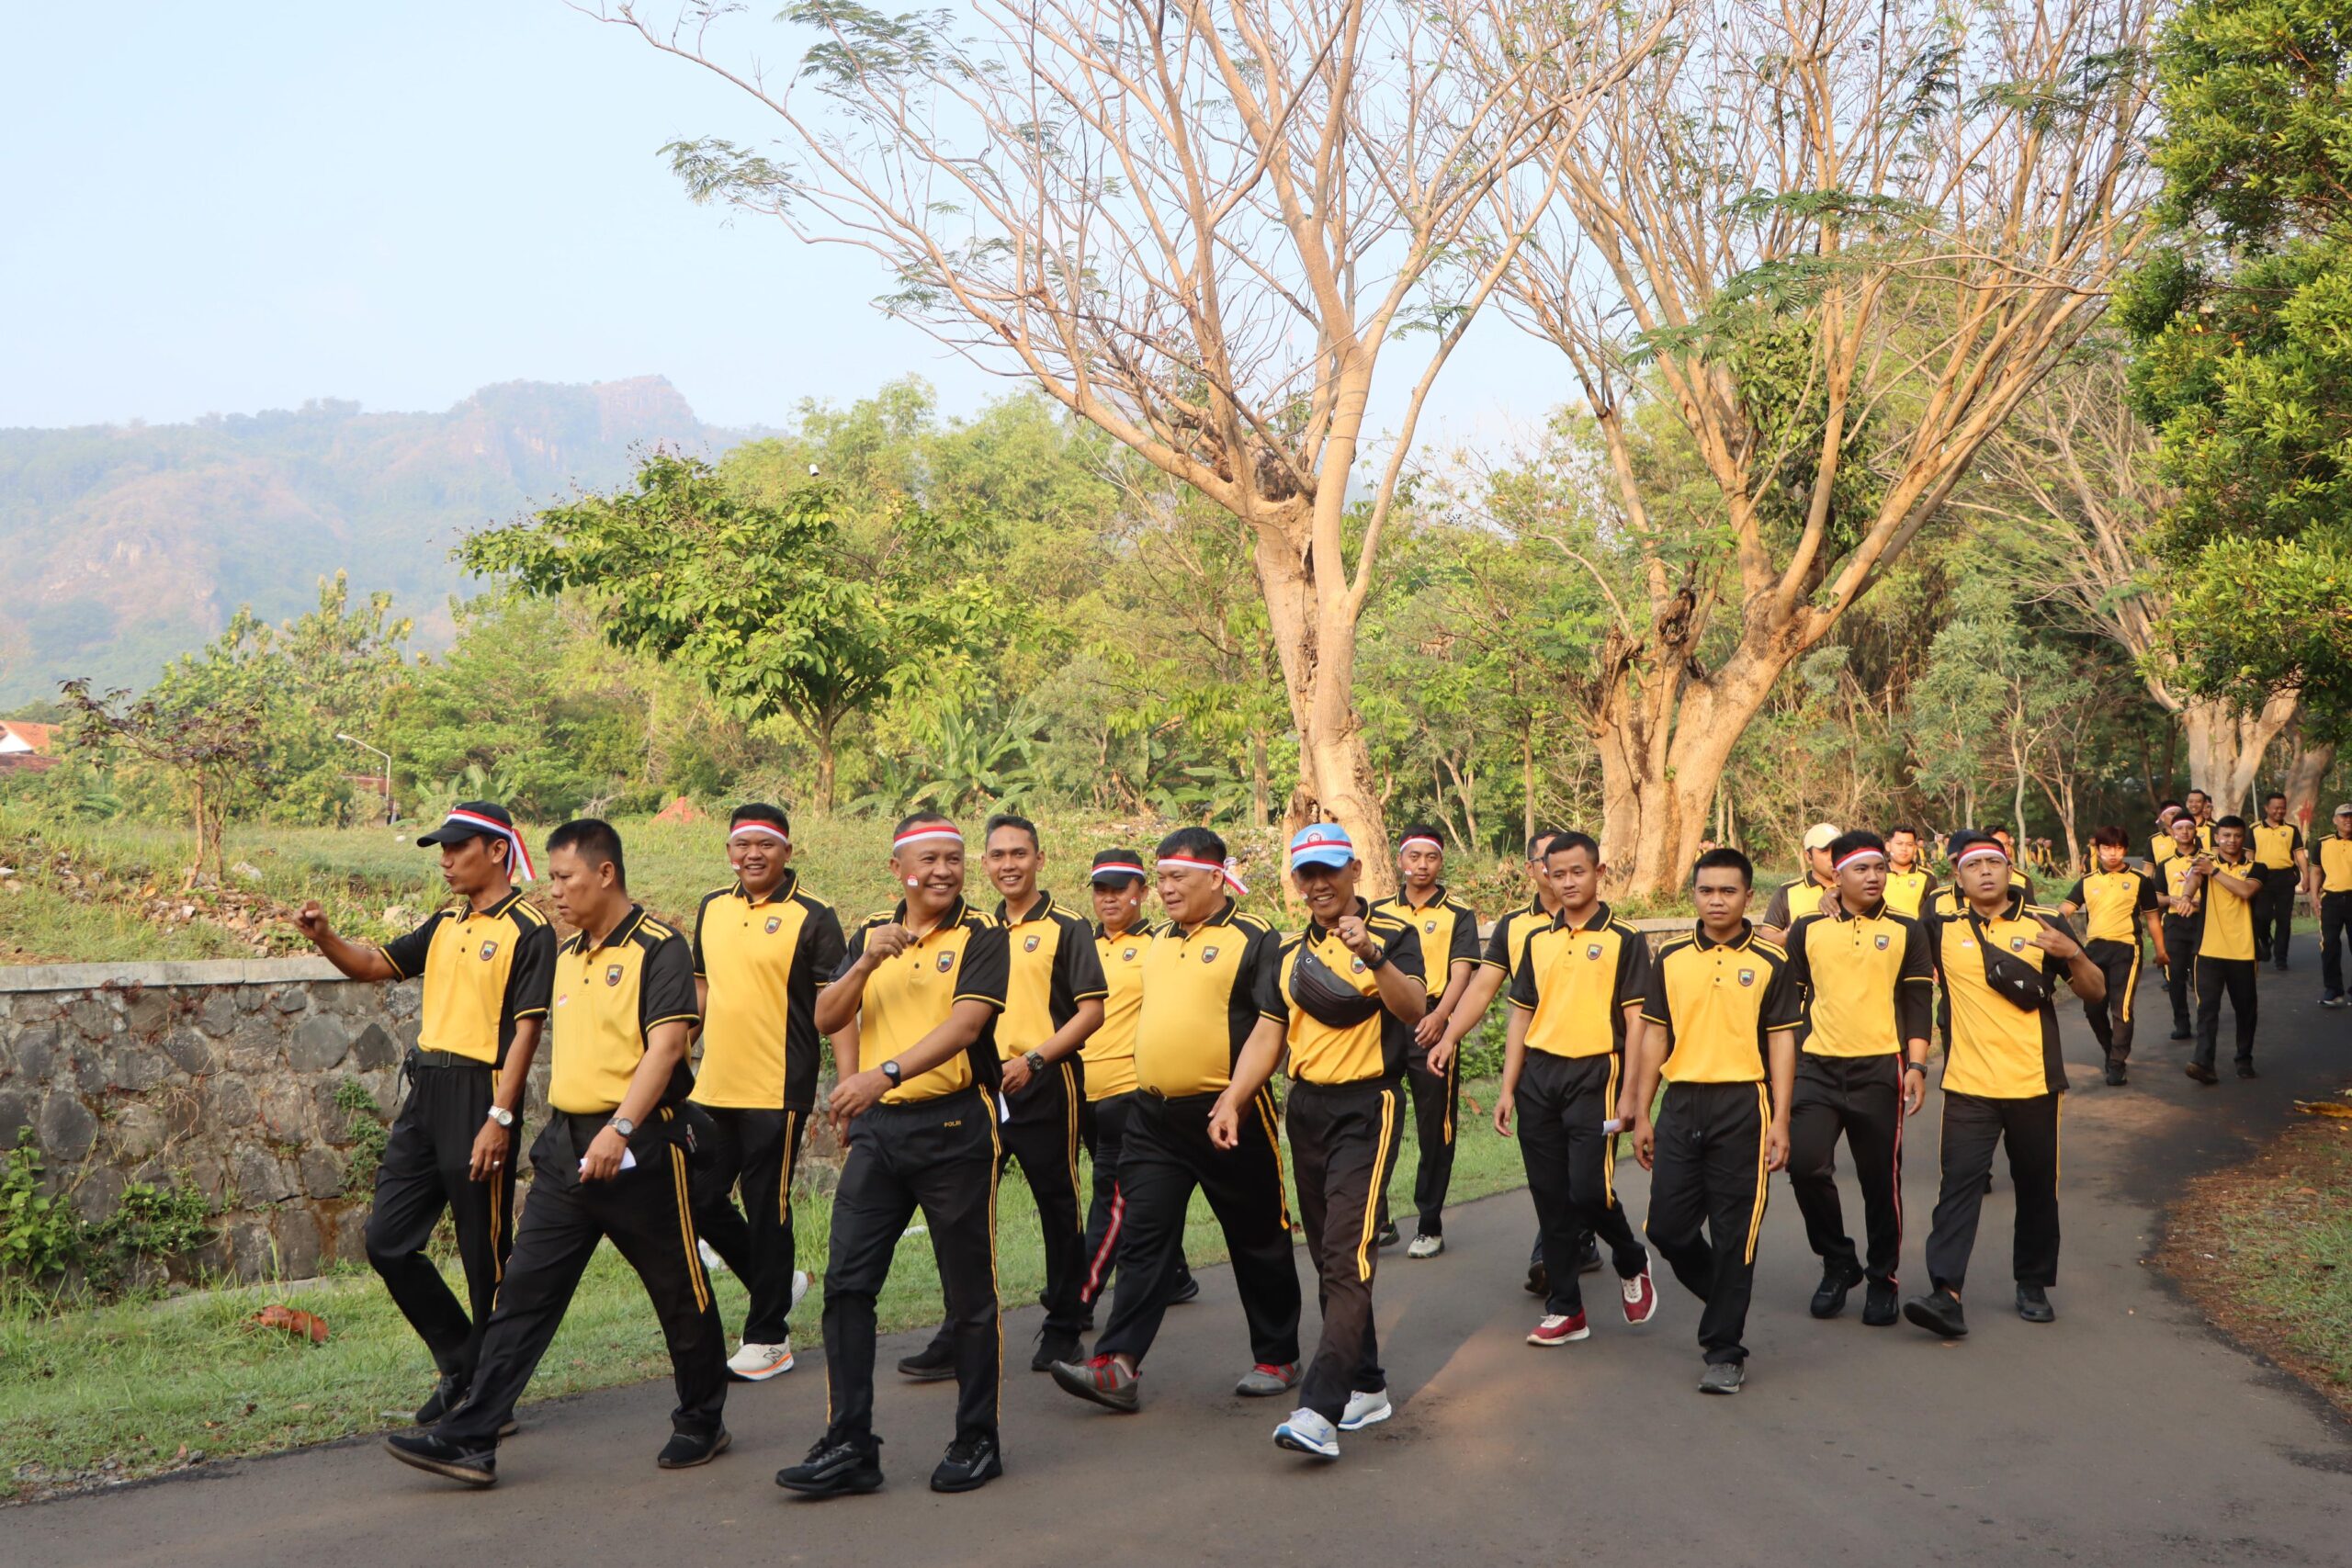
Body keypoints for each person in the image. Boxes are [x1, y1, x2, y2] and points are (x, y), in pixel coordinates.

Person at [387, 819, 726, 1486]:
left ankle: (701, 1418)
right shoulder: (567, 954)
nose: (556, 891)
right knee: (522, 1294)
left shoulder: (659, 947)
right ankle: (472, 1436)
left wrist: (619, 1129)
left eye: (566, 877)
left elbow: (666, 1049)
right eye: (552, 878)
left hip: (639, 1144)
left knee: (678, 1288)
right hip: (567, 1147)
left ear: (605, 873)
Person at [293, 801, 553, 1427]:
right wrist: (325, 936)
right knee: (386, 1240)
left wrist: (501, 1117)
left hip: (481, 1093)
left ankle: (491, 1399)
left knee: (486, 1254)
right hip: (427, 1091)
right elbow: (372, 965)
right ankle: (464, 1362)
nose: (445, 860)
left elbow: (527, 1032)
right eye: (442, 849)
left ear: (496, 851)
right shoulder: (445, 922)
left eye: (457, 848)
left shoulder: (530, 929)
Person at [776, 813, 1012, 1498]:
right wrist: (865, 963)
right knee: (848, 1284)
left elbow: (965, 1026)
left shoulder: (982, 934)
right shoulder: (871, 933)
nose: (943, 871)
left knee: (969, 1293)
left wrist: (880, 1075)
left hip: (953, 1128)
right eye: (928, 860)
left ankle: (978, 1438)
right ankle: (850, 1443)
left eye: (953, 860)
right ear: (897, 869)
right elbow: (828, 1016)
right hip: (880, 1132)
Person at [1051, 829, 1303, 1414]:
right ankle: (1117, 1365)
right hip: (1153, 1118)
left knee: (1257, 1236)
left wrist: (1236, 1098)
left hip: (1229, 1114)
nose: (1164, 889)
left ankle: (1277, 1356)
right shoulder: (1160, 941)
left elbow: (1272, 1030)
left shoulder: (1255, 937)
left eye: (1176, 878)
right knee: (1143, 1238)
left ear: (1215, 878)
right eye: (1161, 878)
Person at [1216, 823, 1425, 1460]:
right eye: (1306, 874)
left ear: (1355, 870)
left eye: (1329, 870)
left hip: (1368, 1106)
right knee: (1328, 1256)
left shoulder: (1394, 935)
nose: (1318, 884)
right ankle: (1367, 1384)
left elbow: (1414, 1009)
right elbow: (1268, 1034)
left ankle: (1319, 1408)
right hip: (1305, 1109)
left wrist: (1374, 955)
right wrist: (1232, 1098)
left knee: (1345, 1254)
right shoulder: (1285, 953)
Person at [899, 814, 1103, 1379]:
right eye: (997, 855)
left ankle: (1065, 1326)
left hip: (1045, 1083)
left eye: (1019, 853)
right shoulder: (975, 930)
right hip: (981, 1090)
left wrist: (1035, 1060)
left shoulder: (1067, 925)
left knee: (1057, 1205)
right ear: (984, 863)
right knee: (962, 1211)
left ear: (1039, 859)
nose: (1008, 864)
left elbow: (1090, 1012)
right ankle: (958, 1332)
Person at [1905, 829, 2103, 1339]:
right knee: (1958, 1188)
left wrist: (2074, 953)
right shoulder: (1940, 926)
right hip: (1968, 1083)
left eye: (1994, 863)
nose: (1986, 872)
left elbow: (2096, 992)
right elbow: (1890, 941)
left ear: (2010, 870)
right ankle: (1946, 1293)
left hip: (2034, 1082)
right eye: (1974, 866)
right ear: (1958, 877)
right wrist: (1833, 898)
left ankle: (2032, 1284)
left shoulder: (2044, 922)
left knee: (2036, 1188)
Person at [1624, 846, 1801, 1395]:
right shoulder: (1671, 956)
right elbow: (1655, 1034)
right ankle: (1725, 1297)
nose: (1716, 900)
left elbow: (1782, 1042)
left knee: (1733, 1235)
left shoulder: (1772, 961)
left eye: (1728, 891)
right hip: (1682, 1103)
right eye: (1706, 890)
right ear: (1694, 895)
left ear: (1748, 896)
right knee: (1666, 1228)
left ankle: (1724, 1350)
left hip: (1745, 1104)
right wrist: (1643, 1111)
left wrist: (1782, 1120)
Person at [685, 805, 842, 1383]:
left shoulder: (814, 916)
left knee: (767, 1209)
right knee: (696, 1198)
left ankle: (769, 1339)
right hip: (714, 1085)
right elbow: (701, 990)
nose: (753, 854)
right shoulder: (712, 907)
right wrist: (674, 1052)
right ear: (730, 851)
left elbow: (839, 1008)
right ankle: (778, 1283)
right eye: (742, 844)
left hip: (777, 1088)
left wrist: (847, 1083)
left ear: (787, 852)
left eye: (766, 844)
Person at [1496, 830, 1659, 1346]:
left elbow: (1637, 1022)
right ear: (1544, 874)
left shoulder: (1624, 939)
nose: (1567, 882)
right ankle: (1565, 1309)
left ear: (1599, 873)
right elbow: (1521, 1017)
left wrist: (1631, 1094)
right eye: (1558, 873)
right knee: (1550, 1197)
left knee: (1587, 1189)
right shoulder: (1536, 940)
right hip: (1539, 1078)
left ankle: (1630, 1258)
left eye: (1578, 872)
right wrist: (1508, 1088)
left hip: (1597, 1075)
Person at [1427, 830, 1602, 1300]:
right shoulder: (1514, 927)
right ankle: (1569, 1251)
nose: (1561, 873)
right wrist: (1449, 1037)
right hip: (1536, 1066)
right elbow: (1483, 987)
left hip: (1594, 1067)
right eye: (1550, 862)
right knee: (1552, 1173)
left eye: (1572, 865)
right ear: (1533, 870)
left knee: (1583, 1175)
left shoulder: (1605, 927)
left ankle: (1565, 1250)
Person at [1780, 830, 1933, 1327]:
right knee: (1805, 1167)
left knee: (1879, 1182)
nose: (1873, 877)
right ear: (1837, 874)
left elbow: (1917, 1002)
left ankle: (1883, 1278)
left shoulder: (1908, 929)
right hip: (1816, 1069)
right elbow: (1790, 1001)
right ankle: (1837, 1261)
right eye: (1861, 869)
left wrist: (1916, 1066)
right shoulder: (1808, 928)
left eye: (1880, 868)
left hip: (1879, 1069)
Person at [1075, 848, 1195, 1314]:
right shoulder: (1080, 943)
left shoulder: (1159, 944)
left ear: (1141, 893)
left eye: (1119, 889)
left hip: (1130, 1094)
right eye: (1101, 890)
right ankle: (1176, 1274)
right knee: (1135, 1196)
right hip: (1083, 1094)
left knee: (1111, 1199)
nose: (1109, 899)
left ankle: (1077, 1300)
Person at [1371, 825, 1481, 1258]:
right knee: (1371, 1115)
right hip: (1383, 1022)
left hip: (1432, 1022)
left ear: (1440, 861)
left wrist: (1439, 1018)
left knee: (1434, 1127)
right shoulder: (1377, 912)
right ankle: (1378, 1219)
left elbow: (1462, 974)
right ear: (1400, 860)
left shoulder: (1458, 913)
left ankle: (1429, 1224)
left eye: (1430, 857)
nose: (1422, 865)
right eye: (1414, 857)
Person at [2057, 828, 2165, 1087]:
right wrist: (2056, 924)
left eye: (2117, 848)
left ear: (2125, 849)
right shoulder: (2087, 881)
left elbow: (2152, 918)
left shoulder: (2140, 880)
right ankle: (2110, 1050)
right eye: (2106, 848)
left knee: (2121, 1008)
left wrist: (2161, 951)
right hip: (2094, 950)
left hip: (2127, 948)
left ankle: (2117, 1064)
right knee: (2093, 1008)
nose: (2112, 853)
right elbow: (2065, 909)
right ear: (2098, 850)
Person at [2183, 817, 2264, 1084]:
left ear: (2243, 838)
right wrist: (2186, 897)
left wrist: (2214, 872)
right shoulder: (2204, 864)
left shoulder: (2257, 867)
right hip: (2209, 949)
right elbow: (2193, 880)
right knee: (2207, 1009)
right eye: (2226, 835)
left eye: (2237, 836)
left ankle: (2244, 1059)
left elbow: (2246, 891)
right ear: (2217, 837)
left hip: (2243, 951)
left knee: (2246, 1010)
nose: (2232, 841)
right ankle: (2203, 1063)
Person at [1758, 822, 1840, 943]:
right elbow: (1766, 937)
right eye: (1825, 851)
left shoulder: (1858, 888)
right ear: (1808, 857)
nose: (1833, 856)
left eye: (1838, 849)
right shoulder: (1787, 892)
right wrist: (1789, 934)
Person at [2250, 792, 2306, 969]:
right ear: (2266, 808)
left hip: (2285, 877)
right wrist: (2246, 877)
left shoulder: (2291, 830)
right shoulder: (2254, 829)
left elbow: (2299, 854)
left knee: (2284, 920)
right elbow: (2249, 855)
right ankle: (2265, 939)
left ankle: (2281, 958)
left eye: (2282, 808)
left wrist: (2306, 876)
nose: (2279, 811)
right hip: (2261, 878)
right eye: (2275, 808)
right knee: (2261, 916)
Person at [2308, 804, 2352, 1009]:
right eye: (2344, 816)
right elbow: (2316, 871)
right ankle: (2333, 989)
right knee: (2330, 944)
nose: (2348, 820)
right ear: (2335, 820)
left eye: (2351, 816)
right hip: (2331, 899)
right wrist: (2314, 896)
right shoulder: (2323, 843)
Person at [1881, 825, 1938, 919]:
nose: (1904, 849)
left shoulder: (1927, 877)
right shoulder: (1877, 875)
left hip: (1915, 929)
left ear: (1915, 848)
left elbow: (1934, 913)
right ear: (1888, 846)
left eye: (1909, 845)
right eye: (1899, 844)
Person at [2150, 802, 2185, 874]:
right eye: (2172, 814)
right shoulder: (2153, 840)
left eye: (2179, 814)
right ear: (2162, 817)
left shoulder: (2193, 838)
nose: (2176, 817)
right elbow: (2149, 868)